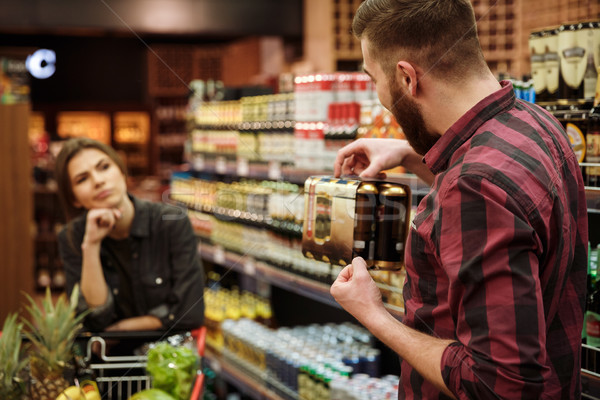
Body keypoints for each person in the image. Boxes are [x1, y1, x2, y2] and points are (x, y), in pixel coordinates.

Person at [331, 1, 588, 399]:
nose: (379, 94)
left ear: (406, 78)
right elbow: (504, 193)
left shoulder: (474, 187)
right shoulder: (537, 123)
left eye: (373, 78)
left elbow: (501, 386)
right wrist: (407, 154)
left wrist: (374, 314)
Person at [55, 137, 204, 334]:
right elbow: (93, 319)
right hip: (107, 361)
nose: (98, 181)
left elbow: (190, 314)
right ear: (74, 198)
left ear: (121, 171)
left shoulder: (171, 222)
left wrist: (120, 329)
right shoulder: (73, 237)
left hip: (169, 357)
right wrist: (91, 245)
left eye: (104, 167)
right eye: (82, 179)